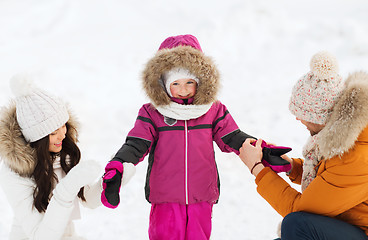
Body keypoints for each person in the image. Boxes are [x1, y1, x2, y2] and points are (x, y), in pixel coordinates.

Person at [100, 34, 256, 240]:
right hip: (166, 198)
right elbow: (136, 144)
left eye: (189, 82)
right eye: (176, 83)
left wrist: (261, 149)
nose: (183, 90)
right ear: (163, 84)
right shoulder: (153, 113)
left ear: (200, 81)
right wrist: (119, 165)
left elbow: (233, 137)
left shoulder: (212, 110)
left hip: (201, 195)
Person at [239, 51, 368, 240]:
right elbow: (329, 181)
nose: (298, 118)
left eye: (304, 114)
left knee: (296, 226)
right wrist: (292, 166)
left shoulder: (355, 156)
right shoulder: (345, 138)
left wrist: (257, 169)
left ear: (321, 117)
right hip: (348, 226)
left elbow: (299, 211)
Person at [0, 74, 102, 240]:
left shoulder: (60, 152)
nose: (62, 135)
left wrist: (112, 180)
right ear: (37, 140)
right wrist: (69, 186)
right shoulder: (13, 174)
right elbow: (42, 236)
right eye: (54, 132)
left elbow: (87, 198)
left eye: (63, 125)